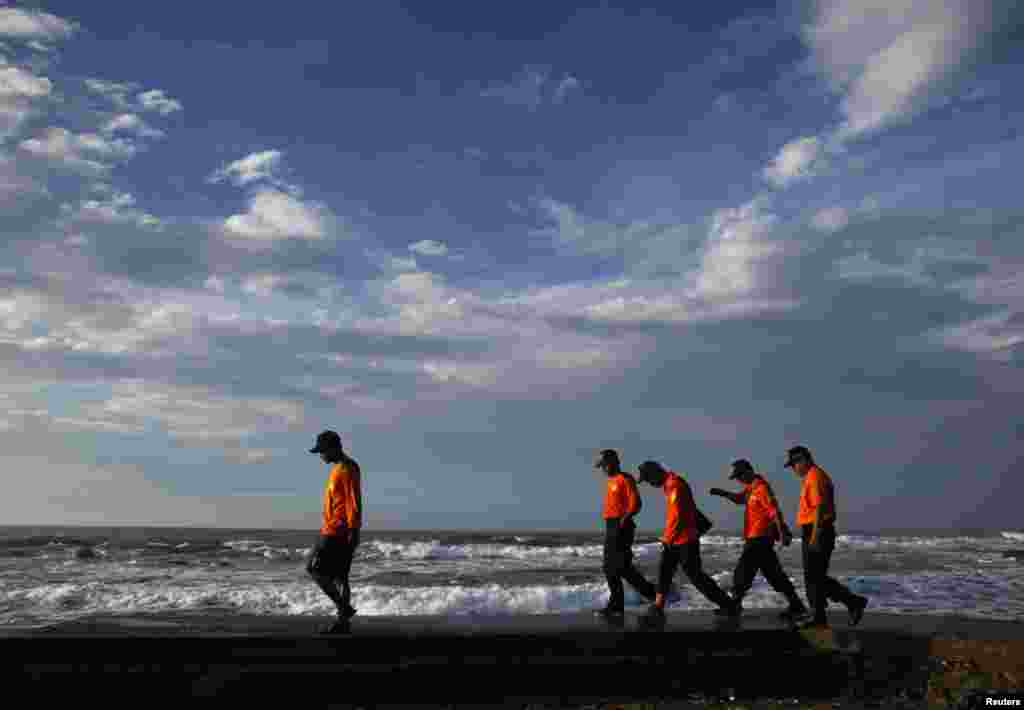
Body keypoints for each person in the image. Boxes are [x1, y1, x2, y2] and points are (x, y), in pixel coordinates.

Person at [635, 460, 739, 624]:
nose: (649, 483)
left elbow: (679, 515)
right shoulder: (669, 485)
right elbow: (688, 510)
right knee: (664, 571)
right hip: (675, 539)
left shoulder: (675, 484)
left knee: (696, 576)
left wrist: (668, 539)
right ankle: (658, 607)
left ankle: (729, 605)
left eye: (648, 479)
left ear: (655, 473)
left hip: (684, 540)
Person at [710, 459, 808, 621]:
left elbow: (774, 510)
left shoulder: (762, 488)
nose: (738, 480)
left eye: (739, 476)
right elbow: (740, 499)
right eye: (736, 478)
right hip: (756, 537)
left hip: (760, 537)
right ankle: (796, 605)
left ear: (748, 471)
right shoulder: (751, 488)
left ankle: (734, 606)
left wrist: (783, 531)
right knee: (773, 574)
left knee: (743, 571)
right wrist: (722, 493)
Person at [784, 445, 868, 629]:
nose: (793, 469)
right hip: (816, 530)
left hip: (818, 530)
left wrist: (814, 536)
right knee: (815, 577)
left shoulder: (815, 476)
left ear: (803, 460)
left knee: (815, 577)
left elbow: (820, 509)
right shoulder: (813, 476)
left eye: (794, 464)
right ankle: (821, 614)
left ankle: (850, 603)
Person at [306, 430, 363, 634]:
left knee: (313, 567)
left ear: (333, 448)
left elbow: (354, 501)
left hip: (337, 530)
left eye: (322, 451)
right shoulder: (339, 468)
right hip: (337, 528)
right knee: (340, 577)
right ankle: (343, 624)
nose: (320, 455)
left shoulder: (348, 468)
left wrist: (354, 530)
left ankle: (344, 609)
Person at [594, 449, 657, 619]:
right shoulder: (611, 481)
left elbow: (636, 503)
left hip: (621, 525)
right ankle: (649, 595)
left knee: (614, 567)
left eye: (604, 466)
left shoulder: (625, 479)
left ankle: (622, 603)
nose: (602, 470)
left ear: (613, 462)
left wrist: (624, 520)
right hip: (612, 525)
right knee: (618, 568)